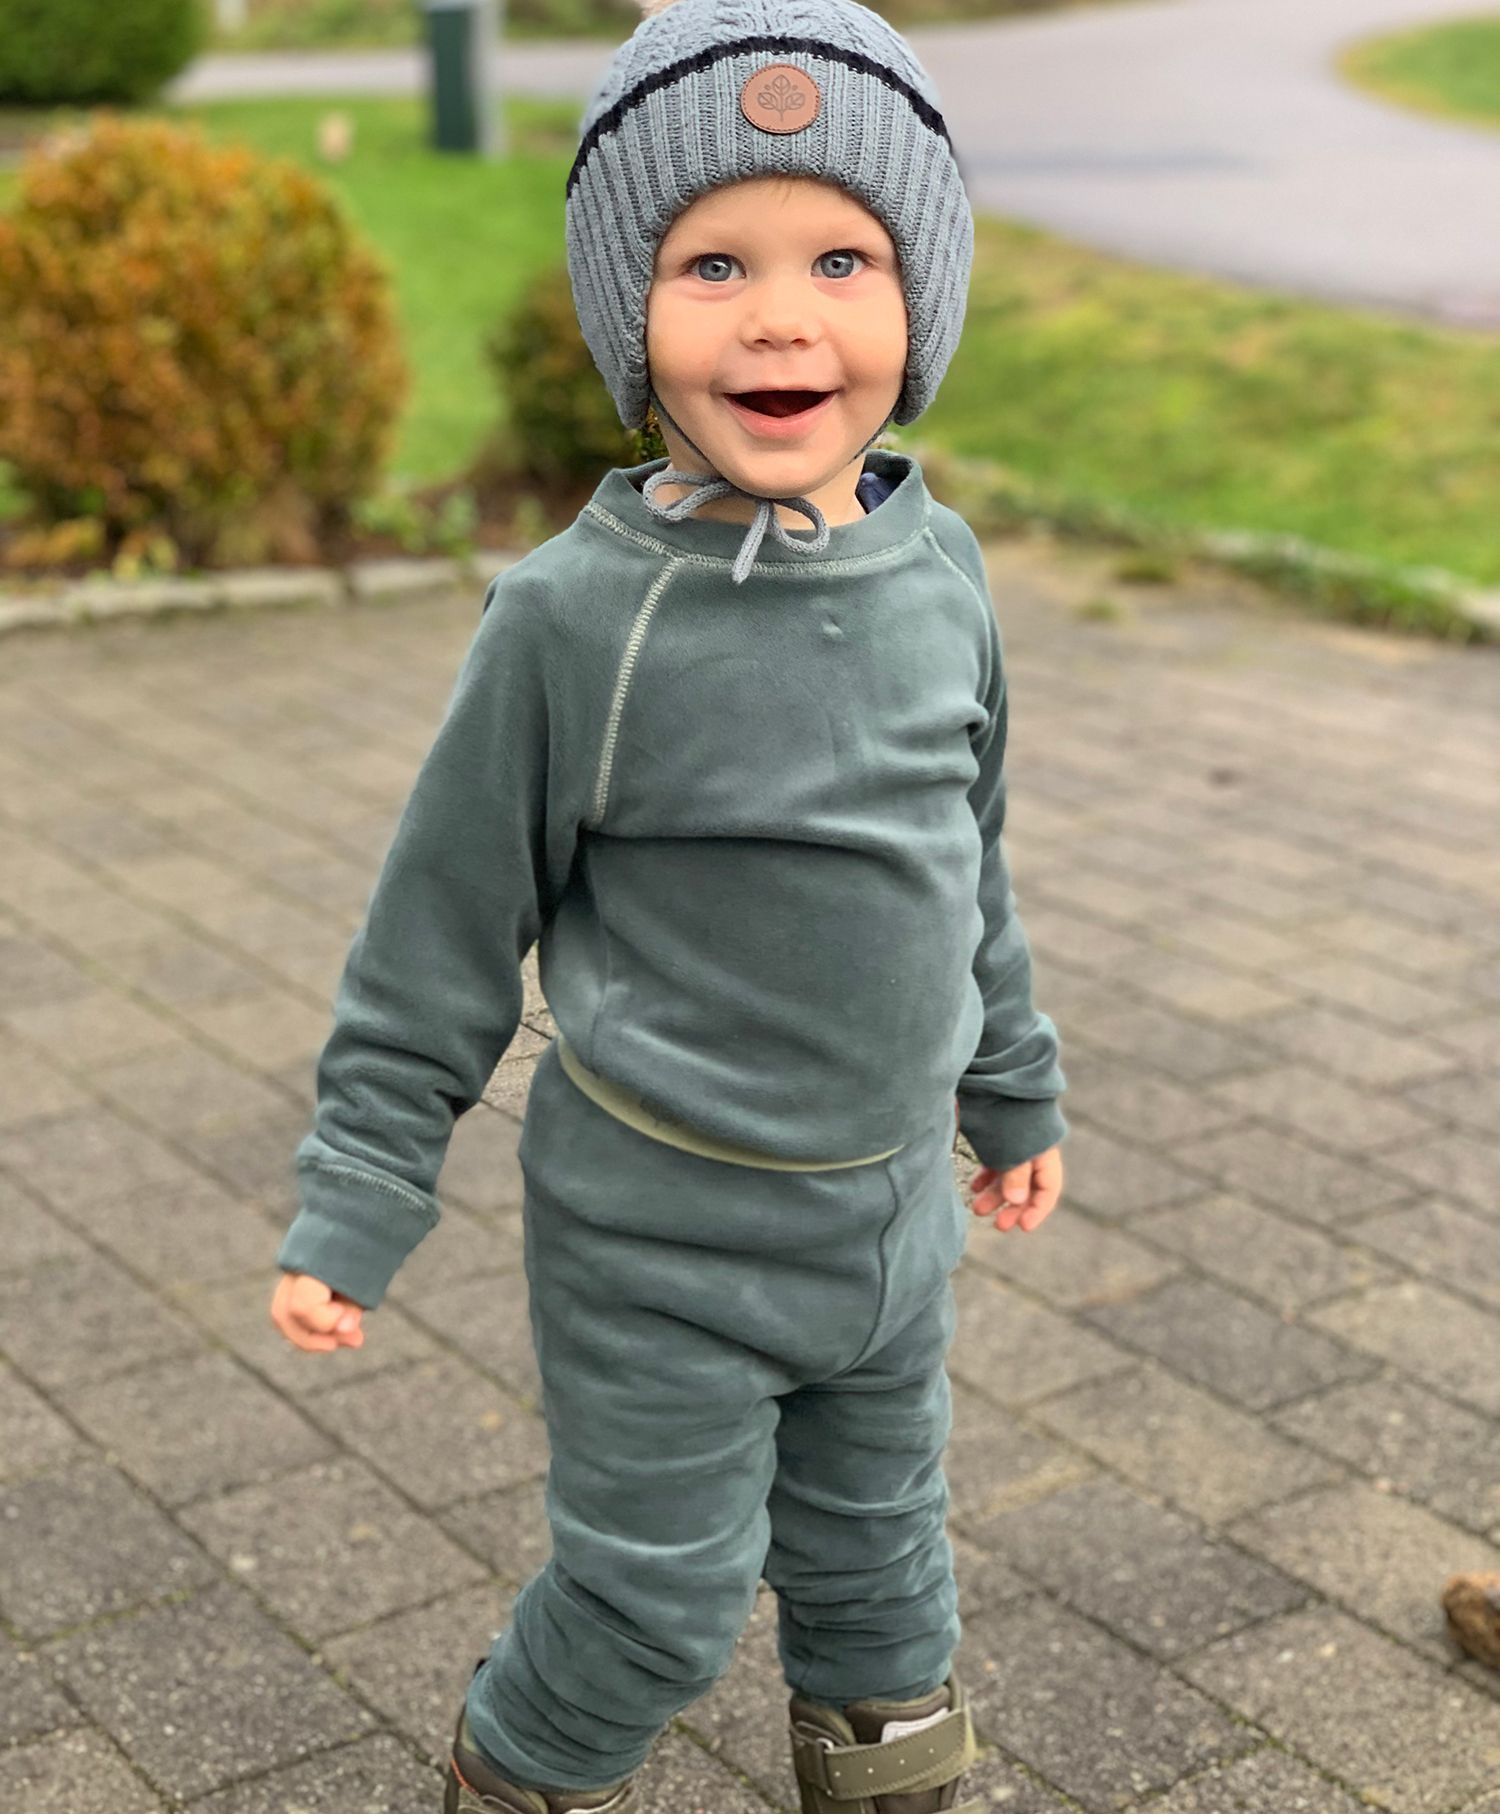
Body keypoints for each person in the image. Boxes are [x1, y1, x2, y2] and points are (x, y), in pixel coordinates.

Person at [269, 0, 1068, 1805]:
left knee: (888, 1575)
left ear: (922, 301)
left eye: (842, 260)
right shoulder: (572, 620)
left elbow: (971, 859)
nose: (781, 316)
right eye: (714, 263)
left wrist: (1013, 1081)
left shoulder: (944, 573)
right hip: (662, 1248)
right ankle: (514, 1773)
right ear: (628, 311)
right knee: (660, 1600)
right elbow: (436, 935)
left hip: (888, 1232)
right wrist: (359, 1192)